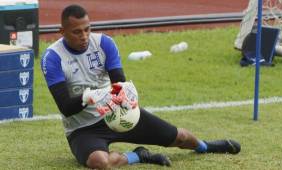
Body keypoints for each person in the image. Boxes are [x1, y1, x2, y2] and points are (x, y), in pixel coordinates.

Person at [41, 4, 241, 169]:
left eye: (87, 29)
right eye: (76, 32)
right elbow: (65, 107)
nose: (84, 36)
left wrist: (116, 98)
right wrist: (89, 96)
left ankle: (206, 147)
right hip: (82, 129)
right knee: (100, 163)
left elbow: (119, 83)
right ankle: (139, 155)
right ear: (62, 31)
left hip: (115, 114)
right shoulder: (53, 57)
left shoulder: (104, 43)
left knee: (180, 137)